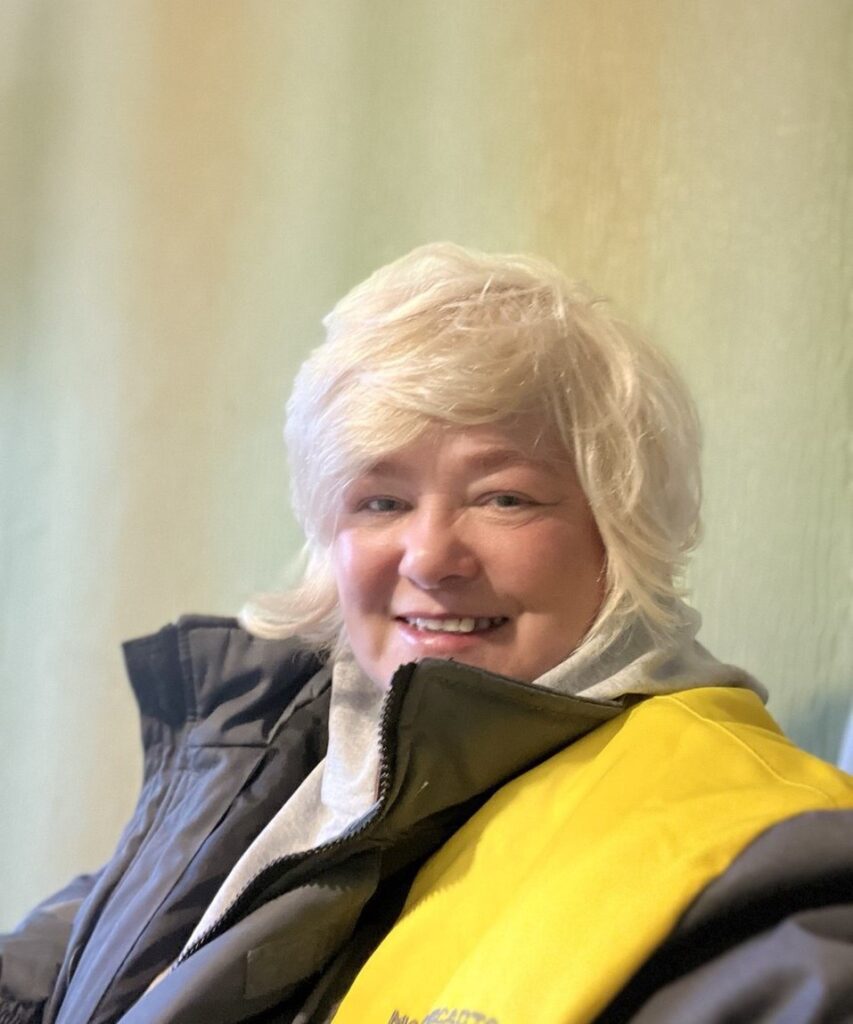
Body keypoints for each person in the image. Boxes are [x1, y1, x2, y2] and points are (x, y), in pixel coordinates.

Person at [3, 243, 852, 1024]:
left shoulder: (767, 864)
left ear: (623, 527)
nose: (430, 557)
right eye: (381, 501)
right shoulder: (267, 760)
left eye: (504, 498)